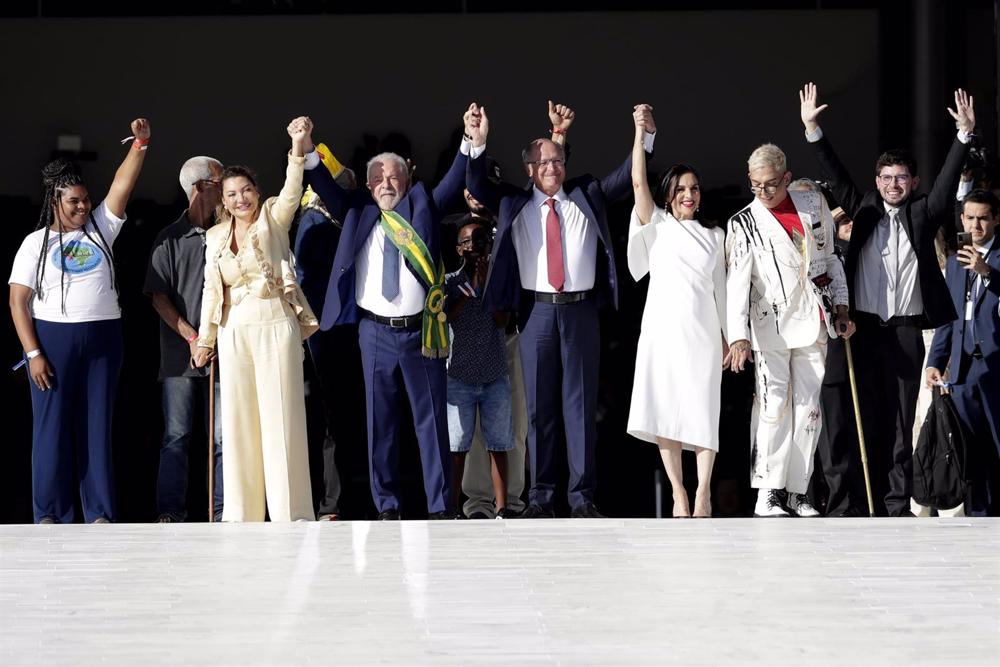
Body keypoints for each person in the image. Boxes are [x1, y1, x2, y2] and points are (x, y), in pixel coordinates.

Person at [465, 102, 655, 518]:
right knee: (539, 410)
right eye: (543, 161)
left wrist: (645, 135)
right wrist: (476, 141)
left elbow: (628, 176)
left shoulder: (588, 193)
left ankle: (582, 497)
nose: (552, 166)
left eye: (557, 159)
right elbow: (477, 185)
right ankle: (541, 498)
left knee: (580, 409)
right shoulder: (514, 203)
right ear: (529, 169)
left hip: (581, 312)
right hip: (536, 313)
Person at [800, 82, 974, 515]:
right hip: (861, 329)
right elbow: (835, 172)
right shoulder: (862, 209)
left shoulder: (923, 212)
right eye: (886, 177)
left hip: (904, 331)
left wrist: (964, 135)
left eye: (901, 178)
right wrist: (812, 129)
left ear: (912, 181)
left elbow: (949, 181)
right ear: (876, 181)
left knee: (899, 421)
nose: (893, 184)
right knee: (864, 416)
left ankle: (896, 505)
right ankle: (858, 503)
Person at [300, 108, 475, 520]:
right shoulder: (357, 209)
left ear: (408, 179)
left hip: (421, 333)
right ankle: (388, 506)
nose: (386, 183)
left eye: (394, 176)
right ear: (367, 184)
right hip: (374, 334)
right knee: (381, 425)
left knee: (430, 425)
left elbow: (453, 182)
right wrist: (306, 147)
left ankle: (438, 507)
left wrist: (471, 141)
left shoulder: (423, 204)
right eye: (378, 178)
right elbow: (322, 180)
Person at [9, 118, 150, 524]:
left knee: (96, 426)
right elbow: (18, 302)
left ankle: (100, 513)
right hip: (52, 339)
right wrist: (33, 352)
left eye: (86, 200)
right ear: (55, 201)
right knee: (51, 428)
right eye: (74, 201)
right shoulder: (34, 244)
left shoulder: (101, 230)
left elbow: (122, 187)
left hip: (104, 337)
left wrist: (139, 145)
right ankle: (50, 512)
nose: (83, 206)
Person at [191, 117, 319, 522]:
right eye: (232, 194)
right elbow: (213, 291)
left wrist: (298, 146)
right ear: (223, 201)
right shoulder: (213, 238)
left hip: (274, 323)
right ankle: (241, 513)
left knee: (281, 418)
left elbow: (292, 192)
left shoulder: (271, 218)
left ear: (256, 192)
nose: (241, 198)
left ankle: (289, 512)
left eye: (246, 190)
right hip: (234, 331)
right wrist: (205, 340)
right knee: (239, 421)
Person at [726, 143, 853, 517]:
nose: (762, 192)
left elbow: (830, 258)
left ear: (785, 177)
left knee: (809, 409)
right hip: (770, 326)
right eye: (755, 185)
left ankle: (799, 491)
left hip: (814, 319)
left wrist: (841, 305)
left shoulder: (813, 207)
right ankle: (769, 490)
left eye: (770, 185)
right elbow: (738, 282)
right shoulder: (743, 222)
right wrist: (738, 335)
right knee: (773, 407)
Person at [625, 107, 727, 518]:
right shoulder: (660, 225)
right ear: (669, 194)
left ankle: (703, 491)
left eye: (695, 188)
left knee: (703, 409)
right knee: (666, 409)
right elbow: (636, 180)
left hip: (702, 332)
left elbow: (722, 290)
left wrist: (728, 335)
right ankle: (679, 492)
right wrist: (639, 134)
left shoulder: (716, 235)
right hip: (662, 332)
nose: (690, 194)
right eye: (682, 188)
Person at [145, 156, 225, 523]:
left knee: (225, 438)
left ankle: (225, 511)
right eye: (219, 182)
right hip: (181, 356)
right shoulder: (170, 239)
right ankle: (171, 512)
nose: (226, 190)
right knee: (176, 436)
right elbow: (158, 297)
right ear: (200, 188)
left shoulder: (229, 234)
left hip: (226, 353)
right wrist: (193, 337)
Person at [926, 189, 1000, 515]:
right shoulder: (956, 262)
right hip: (962, 369)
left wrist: (988, 274)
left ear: (996, 218)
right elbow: (948, 316)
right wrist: (935, 361)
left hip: (995, 365)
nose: (976, 225)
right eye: (970, 218)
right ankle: (978, 514)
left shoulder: (995, 259)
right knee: (968, 447)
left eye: (983, 217)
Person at [293, 163, 357, 521]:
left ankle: (342, 498)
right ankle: (331, 502)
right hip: (322, 333)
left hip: (342, 330)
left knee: (341, 417)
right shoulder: (316, 222)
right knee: (330, 418)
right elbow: (301, 277)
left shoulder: (338, 222)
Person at [444, 220, 514, 517]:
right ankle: (452, 508)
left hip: (494, 373)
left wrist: (486, 286)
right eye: (467, 242)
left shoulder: (497, 278)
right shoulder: (449, 280)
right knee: (457, 448)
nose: (473, 247)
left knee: (498, 444)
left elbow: (503, 321)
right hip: (458, 374)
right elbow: (446, 317)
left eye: (480, 241)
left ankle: (502, 508)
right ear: (458, 248)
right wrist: (469, 288)